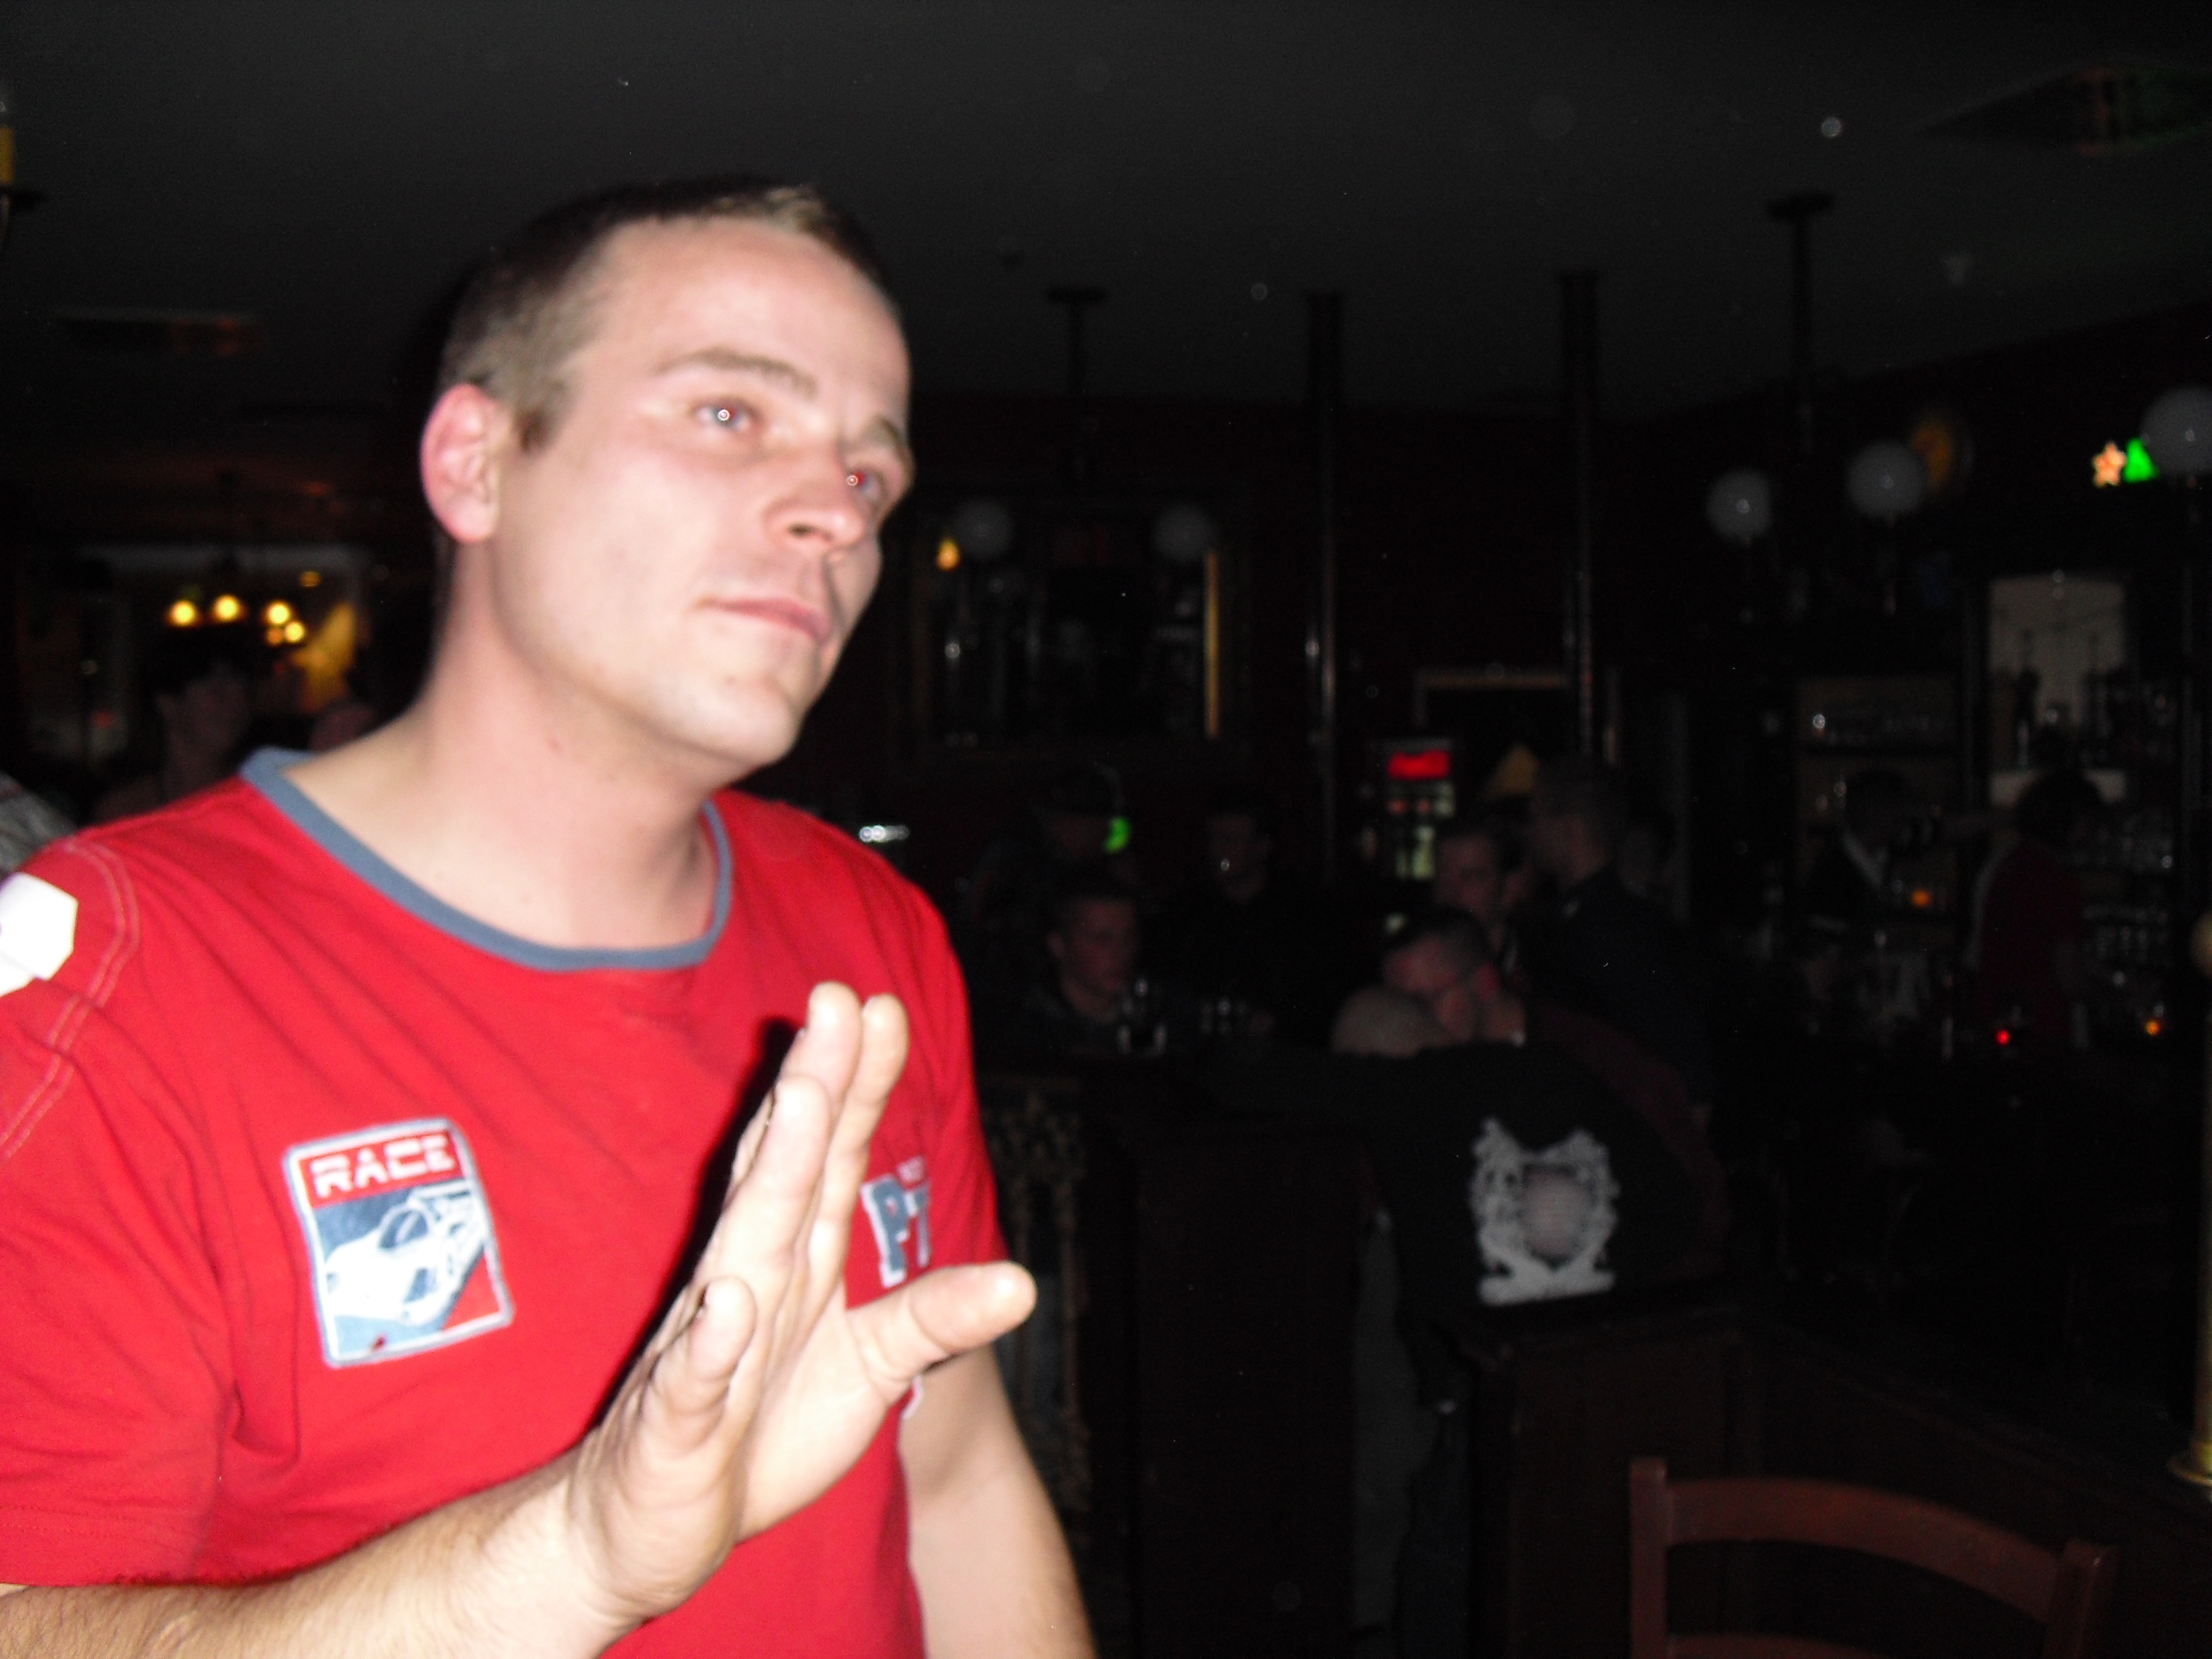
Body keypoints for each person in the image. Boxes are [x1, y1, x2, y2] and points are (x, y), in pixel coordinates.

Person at [0, 178, 1089, 1657]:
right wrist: (569, 1558)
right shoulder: (109, 975)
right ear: (475, 463)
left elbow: (953, 1479)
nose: (835, 512)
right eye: (730, 414)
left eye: (870, 473)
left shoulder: (870, 927)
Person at [1518, 753, 1716, 1105]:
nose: (1529, 833)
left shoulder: (1605, 931)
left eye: (1536, 817)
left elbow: (1682, 1062)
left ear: (1567, 827)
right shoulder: (1612, 921)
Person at [1155, 787, 1343, 1044]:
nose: (1219, 851)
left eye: (1231, 840)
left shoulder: (1299, 912)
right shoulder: (1187, 909)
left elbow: (1322, 991)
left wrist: (1278, 1020)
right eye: (1215, 839)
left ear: (1262, 847)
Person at [1968, 769, 2102, 1048]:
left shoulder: (2004, 864)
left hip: (1994, 1013)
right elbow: (2069, 977)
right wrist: (2114, 995)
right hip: (2042, 1026)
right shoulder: (2057, 881)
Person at [91, 624, 256, 823]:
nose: (234, 704)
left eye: (241, 690)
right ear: (167, 703)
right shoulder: (126, 811)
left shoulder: (259, 800)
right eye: (216, 690)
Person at [1429, 813, 1530, 980]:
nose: (1451, 892)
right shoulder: (1416, 976)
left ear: (1509, 889)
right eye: (1443, 877)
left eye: (1471, 878)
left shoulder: (1545, 974)